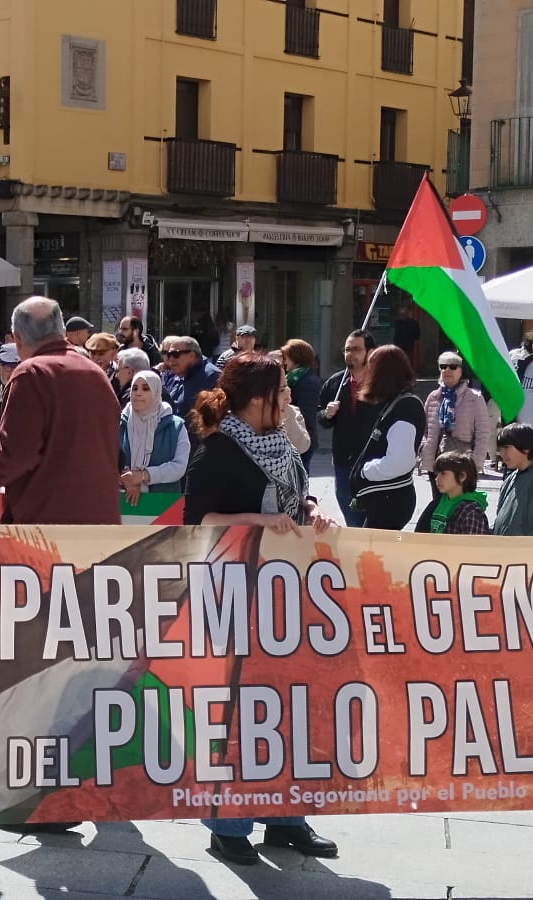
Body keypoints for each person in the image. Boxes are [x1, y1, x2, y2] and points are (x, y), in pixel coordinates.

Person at [180, 351, 339, 865]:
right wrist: (256, 518)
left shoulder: (280, 443)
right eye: (279, 392)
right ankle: (228, 826)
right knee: (241, 711)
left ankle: (286, 817)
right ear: (255, 401)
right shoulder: (218, 447)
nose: (288, 398)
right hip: (235, 588)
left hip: (287, 588)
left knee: (291, 703)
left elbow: (297, 498)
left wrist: (311, 512)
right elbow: (197, 518)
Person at [0, 297, 121, 526]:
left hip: (47, 528)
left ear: (17, 338)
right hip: (101, 520)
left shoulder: (30, 374)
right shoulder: (95, 373)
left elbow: (18, 454)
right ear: (63, 331)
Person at [348, 345, 424, 530]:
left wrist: (366, 470)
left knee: (372, 555)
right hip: (386, 498)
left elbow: (399, 461)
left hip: (390, 500)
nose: (366, 371)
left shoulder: (405, 407)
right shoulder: (397, 402)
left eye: (370, 366)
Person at [321, 329, 378, 525]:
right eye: (347, 349)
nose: (350, 354)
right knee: (351, 516)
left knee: (372, 519)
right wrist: (327, 414)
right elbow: (322, 418)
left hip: (375, 460)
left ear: (369, 352)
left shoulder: (381, 382)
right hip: (344, 460)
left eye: (356, 349)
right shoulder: (335, 383)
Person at [420, 350, 496, 473]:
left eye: (453, 366)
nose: (447, 370)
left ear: (461, 371)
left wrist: (475, 463)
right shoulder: (433, 397)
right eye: (443, 366)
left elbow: (483, 433)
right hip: (435, 463)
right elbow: (423, 429)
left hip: (462, 464)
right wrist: (423, 448)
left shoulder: (474, 398)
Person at [120, 369, 188, 500]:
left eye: (145, 389)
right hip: (124, 498)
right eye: (134, 389)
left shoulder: (175, 426)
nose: (138, 393)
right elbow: (111, 459)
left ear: (156, 392)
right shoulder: (120, 424)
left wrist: (143, 476)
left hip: (162, 503)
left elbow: (179, 466)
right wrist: (129, 480)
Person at [415, 451, 493, 534]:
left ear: (462, 476)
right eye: (437, 474)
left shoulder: (471, 512)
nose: (437, 479)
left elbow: (473, 544)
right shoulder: (439, 502)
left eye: (443, 473)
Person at [281, 339, 323, 470]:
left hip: (301, 439)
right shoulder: (293, 378)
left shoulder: (308, 382)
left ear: (296, 359)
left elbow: (306, 413)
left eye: (286, 358)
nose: (284, 362)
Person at [159, 335, 221, 419]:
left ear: (191, 355)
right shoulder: (175, 375)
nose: (170, 359)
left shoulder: (213, 376)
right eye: (168, 355)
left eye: (175, 354)